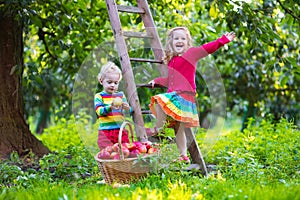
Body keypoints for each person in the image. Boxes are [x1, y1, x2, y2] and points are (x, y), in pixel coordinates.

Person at [147, 27, 236, 163]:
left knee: (159, 100)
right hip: (174, 95)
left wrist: (223, 40)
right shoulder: (172, 60)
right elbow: (170, 81)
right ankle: (183, 156)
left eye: (183, 38)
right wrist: (157, 81)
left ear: (188, 42)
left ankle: (159, 130)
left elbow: (207, 48)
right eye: (176, 38)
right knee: (178, 128)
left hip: (183, 97)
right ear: (171, 42)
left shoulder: (191, 54)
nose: (179, 41)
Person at [94, 61, 132, 150]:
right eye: (109, 82)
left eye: (116, 83)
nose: (112, 85)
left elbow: (128, 112)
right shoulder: (99, 96)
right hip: (105, 131)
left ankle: (123, 164)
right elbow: (99, 112)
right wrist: (110, 107)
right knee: (107, 152)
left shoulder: (121, 95)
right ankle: (108, 164)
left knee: (124, 150)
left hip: (120, 130)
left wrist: (128, 108)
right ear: (101, 80)